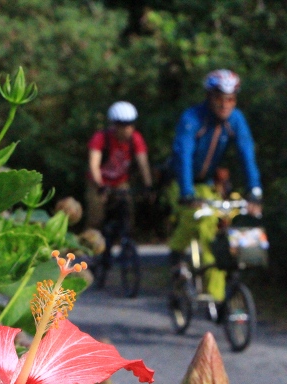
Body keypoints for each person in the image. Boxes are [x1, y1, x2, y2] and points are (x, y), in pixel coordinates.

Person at [167, 69, 262, 305]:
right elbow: (184, 155)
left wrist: (255, 190)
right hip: (180, 182)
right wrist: (186, 192)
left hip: (209, 184)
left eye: (231, 99)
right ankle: (176, 256)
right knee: (200, 219)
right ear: (209, 97)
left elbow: (246, 153)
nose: (225, 105)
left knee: (226, 222)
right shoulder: (192, 118)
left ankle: (226, 289)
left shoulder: (236, 120)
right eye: (219, 98)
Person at [85, 101, 153, 231]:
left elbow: (143, 164)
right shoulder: (100, 138)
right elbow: (93, 165)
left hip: (120, 182)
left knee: (127, 212)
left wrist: (148, 186)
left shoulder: (136, 139)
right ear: (114, 124)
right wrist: (101, 186)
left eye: (130, 124)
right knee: (96, 216)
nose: (127, 128)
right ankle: (89, 244)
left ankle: (125, 240)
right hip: (98, 182)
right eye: (122, 125)